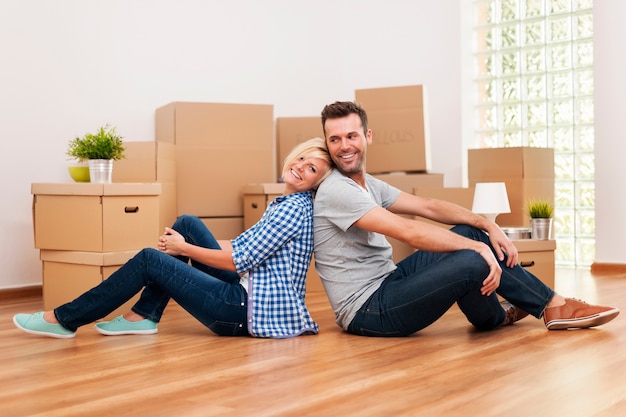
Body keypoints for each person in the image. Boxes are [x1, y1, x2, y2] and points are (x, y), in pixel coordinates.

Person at [313, 100, 619, 337]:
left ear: (367, 137)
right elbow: (408, 231)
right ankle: (551, 307)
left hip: (388, 281)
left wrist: (487, 225)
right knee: (474, 257)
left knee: (469, 233)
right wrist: (479, 250)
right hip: (368, 310)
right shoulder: (337, 190)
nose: (344, 147)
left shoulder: (366, 183)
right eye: (335, 139)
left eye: (351, 136)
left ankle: (508, 313)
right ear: (327, 143)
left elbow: (428, 206)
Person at [14, 137, 333, 339]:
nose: (302, 167)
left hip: (244, 311)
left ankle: (64, 319)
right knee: (187, 222)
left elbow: (237, 260)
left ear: (317, 183)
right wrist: (185, 241)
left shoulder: (292, 209)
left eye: (312, 170)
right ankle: (142, 316)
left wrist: (182, 249)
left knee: (149, 260)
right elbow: (239, 247)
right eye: (302, 159)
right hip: (248, 293)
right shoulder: (287, 203)